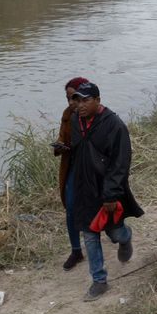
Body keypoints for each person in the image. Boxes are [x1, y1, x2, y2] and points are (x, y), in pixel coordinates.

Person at [67, 82, 143, 301]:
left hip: (107, 191)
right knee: (89, 234)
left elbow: (120, 162)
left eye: (85, 101)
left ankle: (126, 237)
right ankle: (99, 280)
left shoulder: (114, 125)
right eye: (77, 100)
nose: (80, 105)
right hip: (84, 189)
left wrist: (111, 193)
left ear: (98, 101)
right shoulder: (75, 120)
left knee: (114, 232)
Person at [54, 76, 89, 271]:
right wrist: (61, 146)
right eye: (68, 99)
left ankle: (115, 232)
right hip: (72, 166)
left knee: (100, 204)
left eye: (74, 98)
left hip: (92, 168)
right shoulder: (68, 114)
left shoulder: (98, 116)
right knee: (70, 207)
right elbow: (62, 137)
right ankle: (76, 250)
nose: (71, 103)